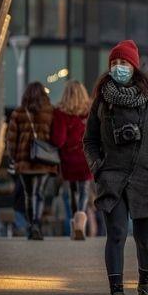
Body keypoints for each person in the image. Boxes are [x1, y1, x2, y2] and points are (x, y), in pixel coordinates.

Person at [83, 40, 148, 295]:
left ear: (134, 66)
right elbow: (89, 140)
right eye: (114, 63)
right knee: (115, 235)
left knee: (144, 238)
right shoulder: (102, 100)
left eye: (123, 63)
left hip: (147, 177)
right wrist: (98, 167)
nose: (118, 68)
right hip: (112, 177)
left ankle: (145, 286)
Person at [6, 82, 58, 240]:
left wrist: (14, 157)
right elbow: (56, 137)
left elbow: (11, 139)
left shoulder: (18, 112)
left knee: (29, 194)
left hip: (25, 162)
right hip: (44, 161)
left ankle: (32, 226)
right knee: (39, 193)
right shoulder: (50, 111)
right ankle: (37, 225)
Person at [51, 80, 93, 240]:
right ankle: (80, 222)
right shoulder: (89, 111)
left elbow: (58, 140)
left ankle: (74, 223)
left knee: (72, 191)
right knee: (84, 189)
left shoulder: (60, 113)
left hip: (68, 159)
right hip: (86, 158)